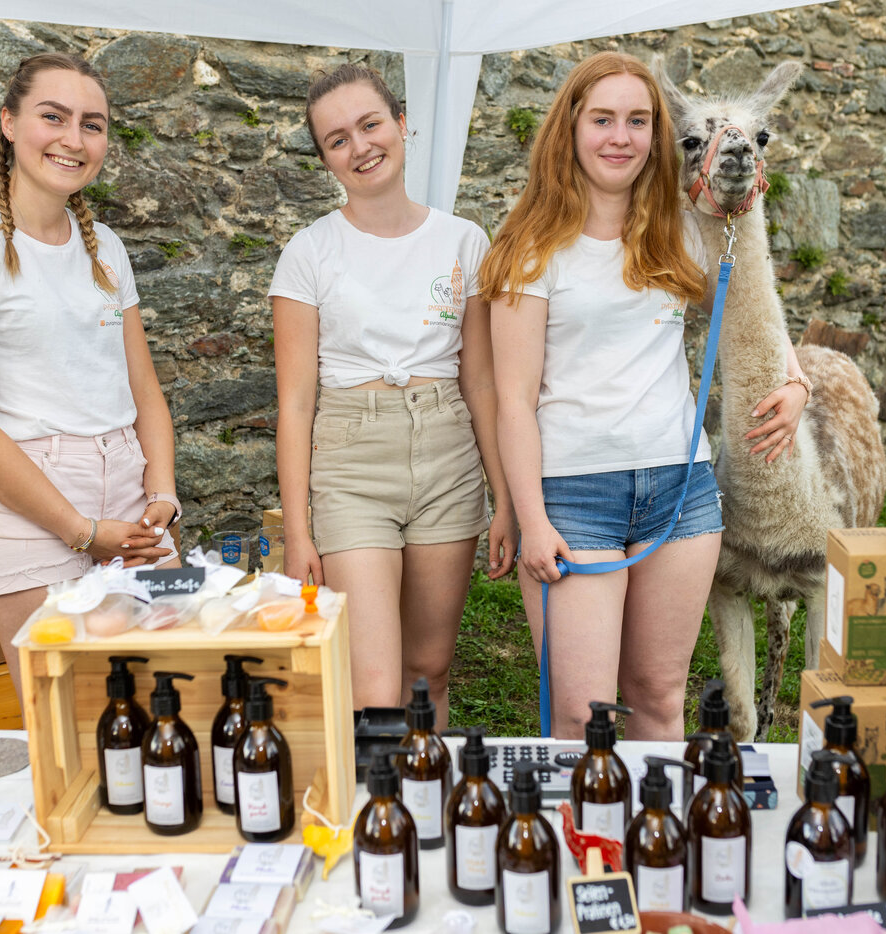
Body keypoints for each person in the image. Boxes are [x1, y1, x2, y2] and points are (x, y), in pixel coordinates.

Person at [480, 52, 808, 739]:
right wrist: (532, 518)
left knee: (659, 701)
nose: (621, 137)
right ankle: (585, 847)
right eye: (603, 119)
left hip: (679, 489)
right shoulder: (532, 250)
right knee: (583, 715)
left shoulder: (680, 229)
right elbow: (513, 400)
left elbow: (747, 293)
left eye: (638, 121)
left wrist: (797, 379)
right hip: (574, 496)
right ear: (570, 129)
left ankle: (647, 849)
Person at [0, 53, 180, 698]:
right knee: (70, 723)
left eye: (91, 124)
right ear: (9, 123)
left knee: (166, 700)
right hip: (28, 506)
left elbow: (144, 390)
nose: (73, 138)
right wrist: (81, 532)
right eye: (52, 117)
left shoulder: (108, 248)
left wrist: (165, 493)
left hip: (129, 491)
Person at [270, 64, 516, 728]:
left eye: (371, 124)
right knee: (375, 688)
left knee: (427, 670)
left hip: (447, 455)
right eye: (338, 139)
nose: (361, 146)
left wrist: (505, 498)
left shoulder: (464, 240)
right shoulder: (309, 252)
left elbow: (483, 380)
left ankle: (425, 815)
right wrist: (299, 532)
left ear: (402, 125)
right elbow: (294, 403)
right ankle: (378, 826)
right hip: (352, 461)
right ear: (326, 158)